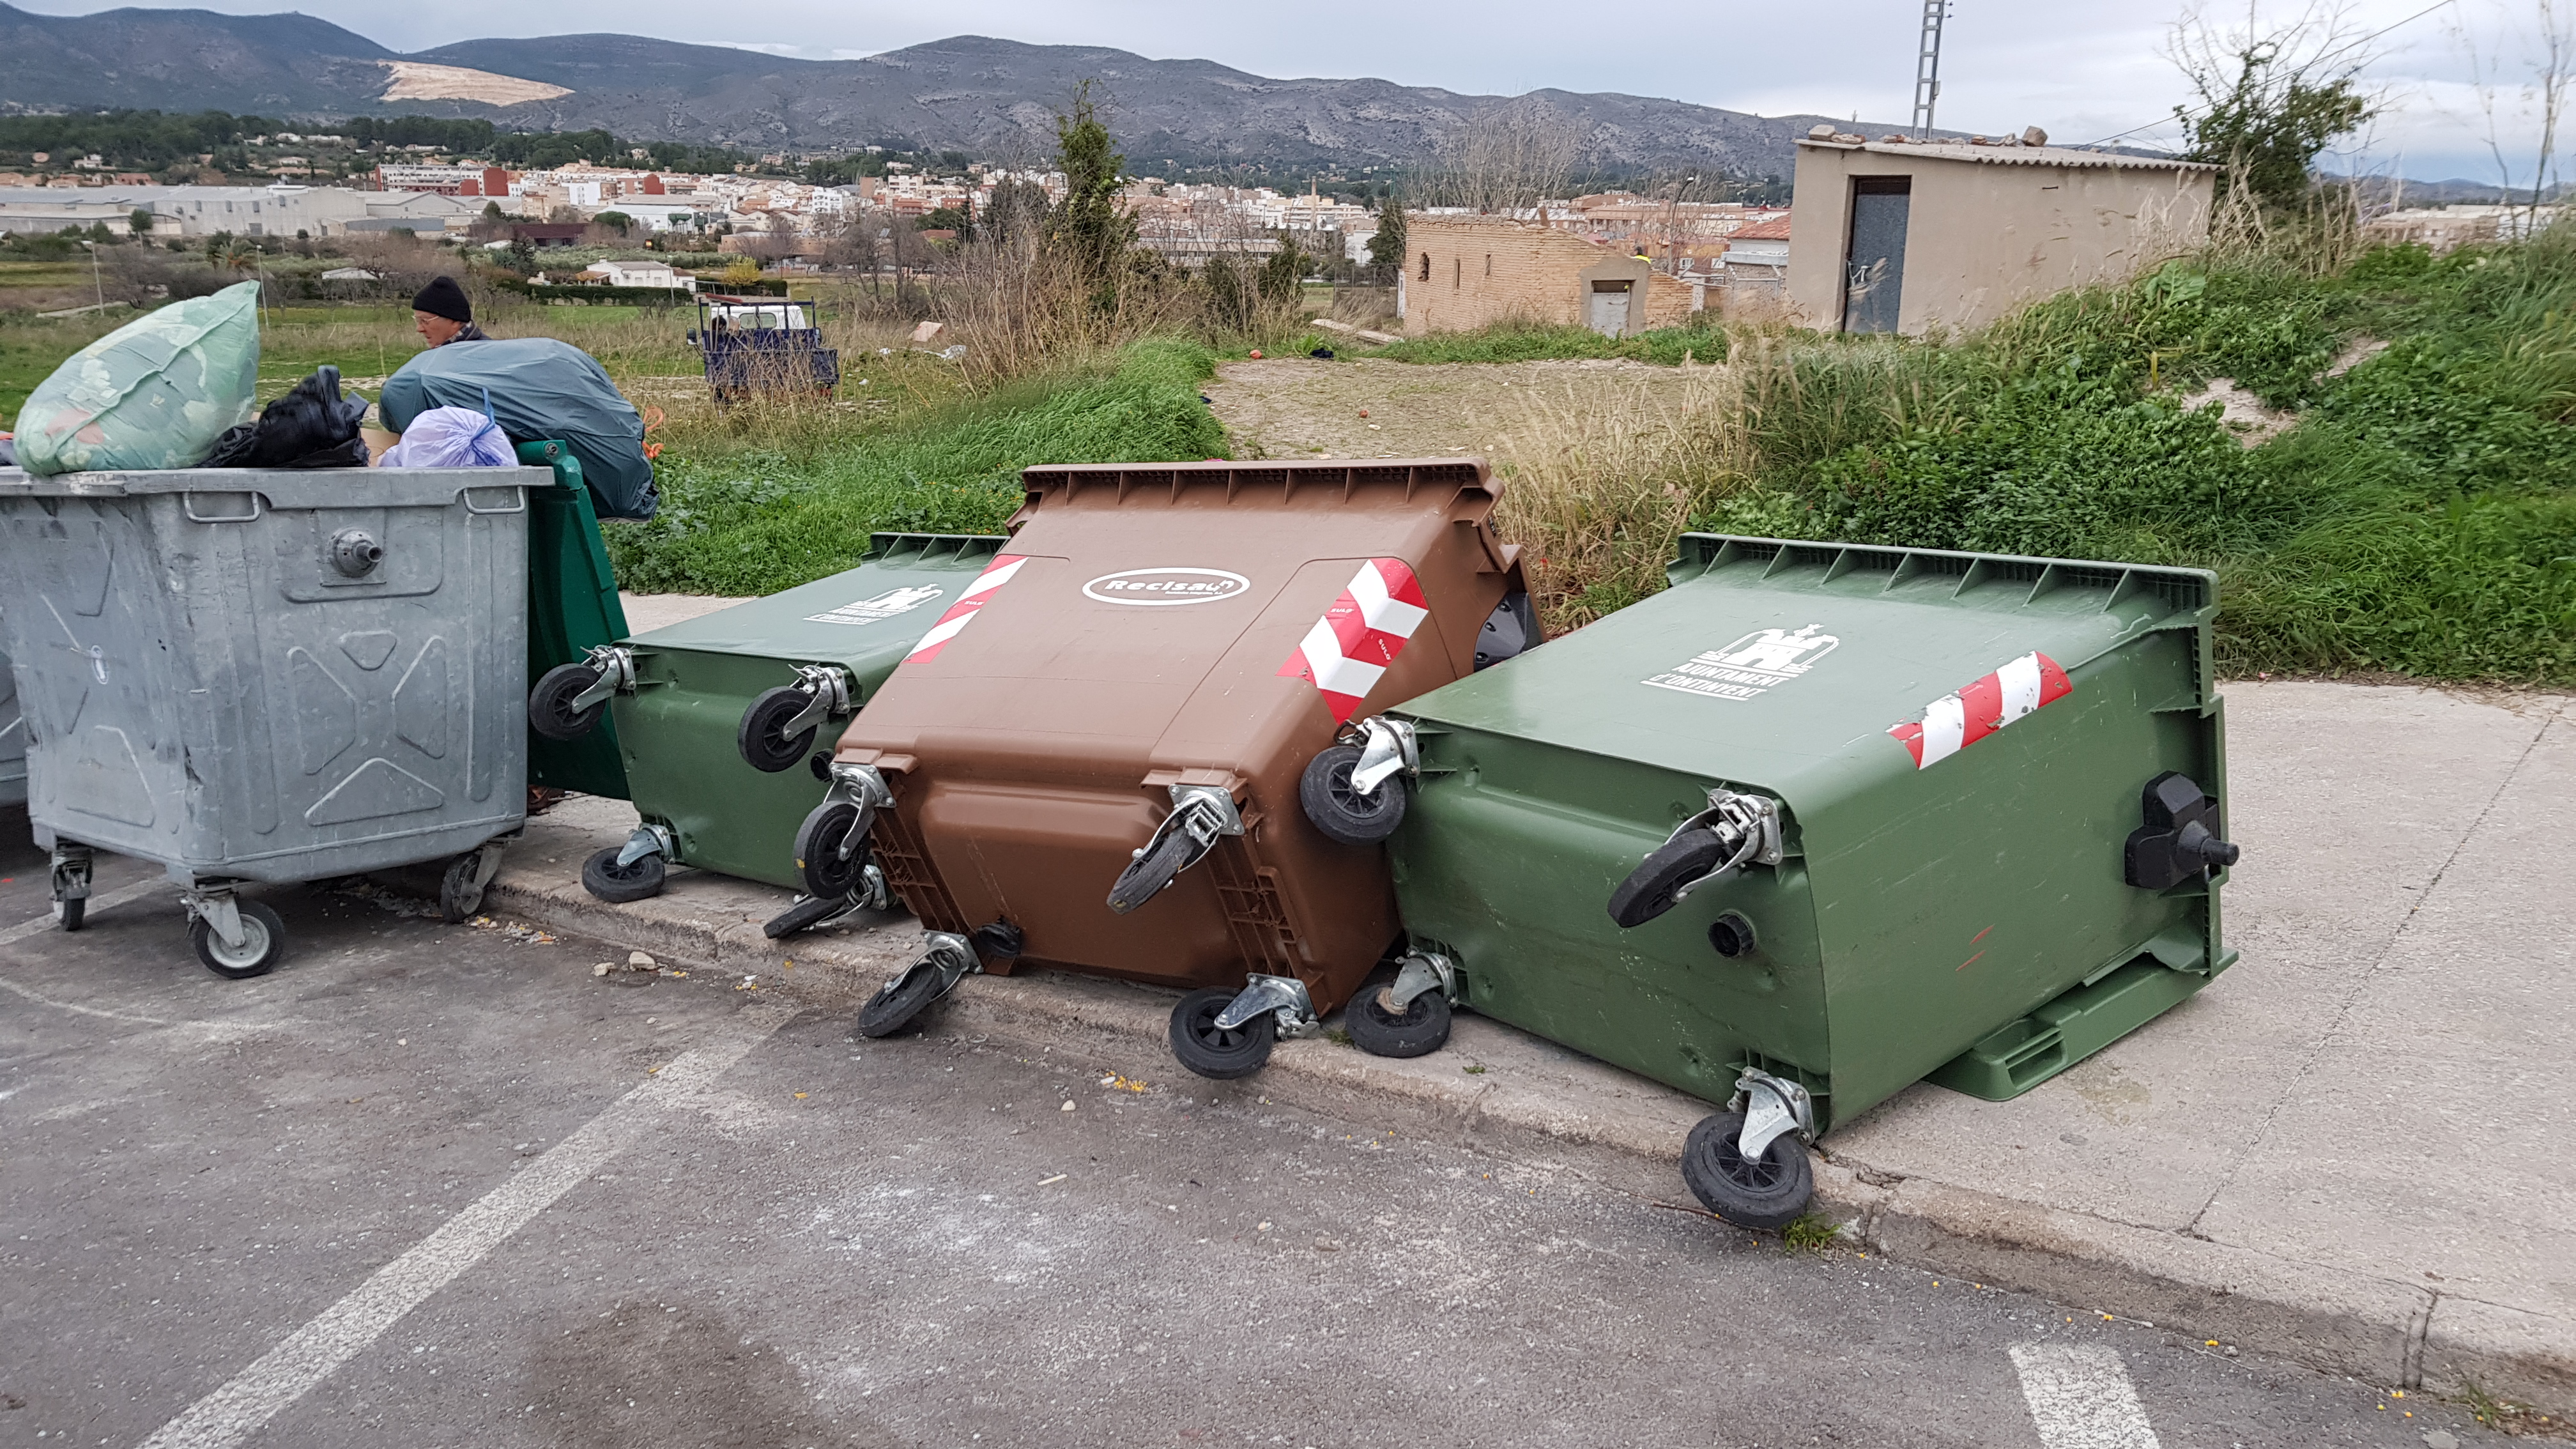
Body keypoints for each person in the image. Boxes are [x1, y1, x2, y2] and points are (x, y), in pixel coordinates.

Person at [411, 277, 489, 347]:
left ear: (455, 321)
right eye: (417, 320)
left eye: (425, 321)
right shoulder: (438, 354)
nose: (419, 329)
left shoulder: (485, 356)